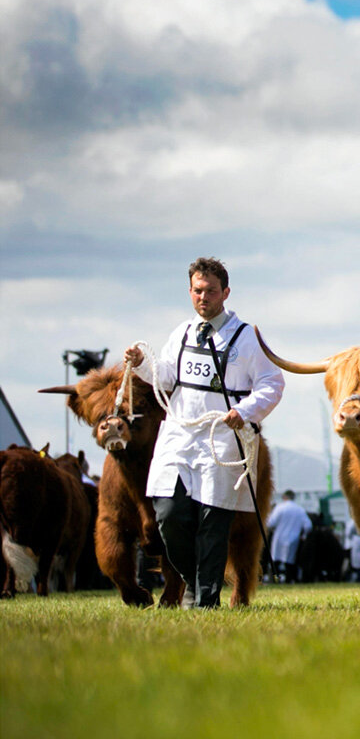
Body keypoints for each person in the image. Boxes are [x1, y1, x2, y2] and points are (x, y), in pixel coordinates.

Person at [124, 257, 284, 608]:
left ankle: (204, 600)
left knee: (213, 523)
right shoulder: (181, 333)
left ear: (225, 292)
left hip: (222, 440)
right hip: (181, 435)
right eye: (198, 290)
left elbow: (272, 384)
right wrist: (142, 364)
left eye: (211, 291)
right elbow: (166, 376)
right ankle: (193, 578)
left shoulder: (246, 338)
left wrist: (243, 412)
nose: (203, 297)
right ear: (190, 292)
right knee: (168, 513)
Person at [265, 490, 312, 583]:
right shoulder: (300, 509)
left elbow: (271, 523)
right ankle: (288, 580)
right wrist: (304, 535)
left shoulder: (280, 507)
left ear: (284, 497)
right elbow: (308, 525)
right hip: (293, 539)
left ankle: (274, 581)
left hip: (279, 538)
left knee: (275, 560)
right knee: (289, 561)